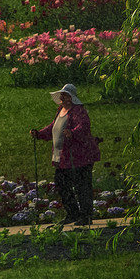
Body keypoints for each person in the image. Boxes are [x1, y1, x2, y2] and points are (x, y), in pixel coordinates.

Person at [31, 83, 101, 227]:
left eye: (65, 95)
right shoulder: (60, 111)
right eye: (61, 95)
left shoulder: (78, 111)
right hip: (63, 157)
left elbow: (83, 127)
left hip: (79, 157)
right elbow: (53, 128)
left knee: (82, 186)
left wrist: (72, 133)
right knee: (62, 185)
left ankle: (86, 215)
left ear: (71, 98)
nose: (61, 97)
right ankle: (72, 213)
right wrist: (39, 134)